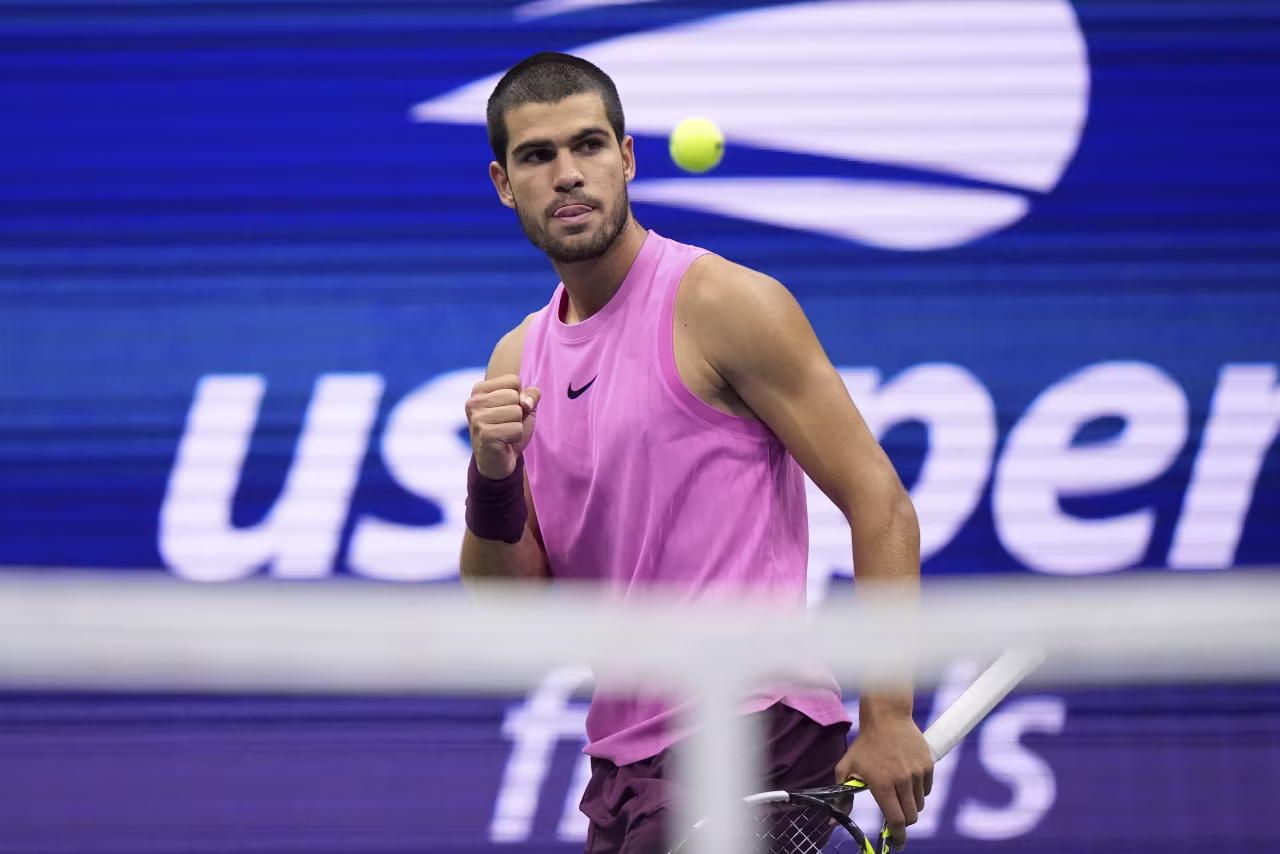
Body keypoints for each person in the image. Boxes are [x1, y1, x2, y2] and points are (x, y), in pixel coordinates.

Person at [460, 51, 932, 854]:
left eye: (590, 146)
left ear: (628, 157)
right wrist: (492, 474)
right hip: (624, 765)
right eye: (539, 156)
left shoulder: (724, 304)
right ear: (506, 183)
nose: (569, 174)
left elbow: (878, 499)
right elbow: (504, 608)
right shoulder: (518, 359)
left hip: (754, 728)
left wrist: (889, 713)